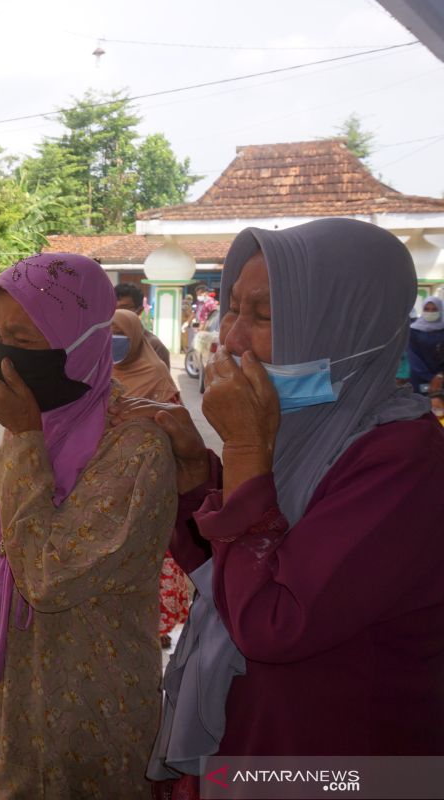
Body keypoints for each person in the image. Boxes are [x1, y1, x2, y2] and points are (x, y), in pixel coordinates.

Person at [109, 219, 444, 798]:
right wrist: (197, 478)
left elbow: (271, 621)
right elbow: (230, 578)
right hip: (247, 743)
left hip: (337, 766)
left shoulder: (405, 459)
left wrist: (241, 449)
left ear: (345, 325)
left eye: (262, 316)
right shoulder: (301, 433)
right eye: (232, 309)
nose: (231, 338)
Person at [0, 253, 177, 798]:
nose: (3, 358)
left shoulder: (136, 445)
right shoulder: (38, 426)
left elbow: (48, 573)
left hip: (86, 714)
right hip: (4, 704)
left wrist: (23, 437)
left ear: (83, 343)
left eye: (24, 342)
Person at [111, 309, 189, 645]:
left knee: (144, 563)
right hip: (105, 486)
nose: (112, 342)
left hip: (144, 485)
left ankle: (151, 632)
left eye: (120, 334)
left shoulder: (157, 377)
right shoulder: (94, 372)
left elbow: (175, 433)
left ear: (136, 337)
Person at [112, 309, 180, 404]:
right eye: (109, 333)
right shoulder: (101, 368)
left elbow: (170, 412)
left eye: (119, 333)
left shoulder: (156, 372)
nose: (113, 339)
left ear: (135, 335)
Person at [115, 282, 171, 365]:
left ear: (139, 310)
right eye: (112, 308)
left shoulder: (154, 346)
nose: (117, 313)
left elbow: (161, 377)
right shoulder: (102, 342)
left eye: (124, 308)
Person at [407, 295, 444, 393]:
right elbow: (413, 357)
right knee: (422, 405)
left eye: (434, 309)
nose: (430, 312)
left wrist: (440, 375)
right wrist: (431, 378)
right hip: (420, 378)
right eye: (427, 309)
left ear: (440, 310)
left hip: (441, 378)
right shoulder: (414, 330)